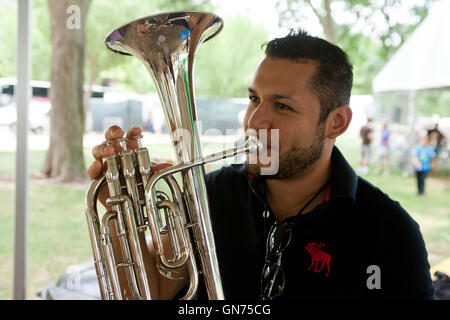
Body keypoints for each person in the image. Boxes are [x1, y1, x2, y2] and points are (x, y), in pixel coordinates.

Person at [88, 29, 435, 300]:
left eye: (282, 106)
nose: (255, 122)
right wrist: (122, 216)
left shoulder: (390, 232)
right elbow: (156, 292)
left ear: (337, 123)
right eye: (254, 99)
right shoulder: (210, 193)